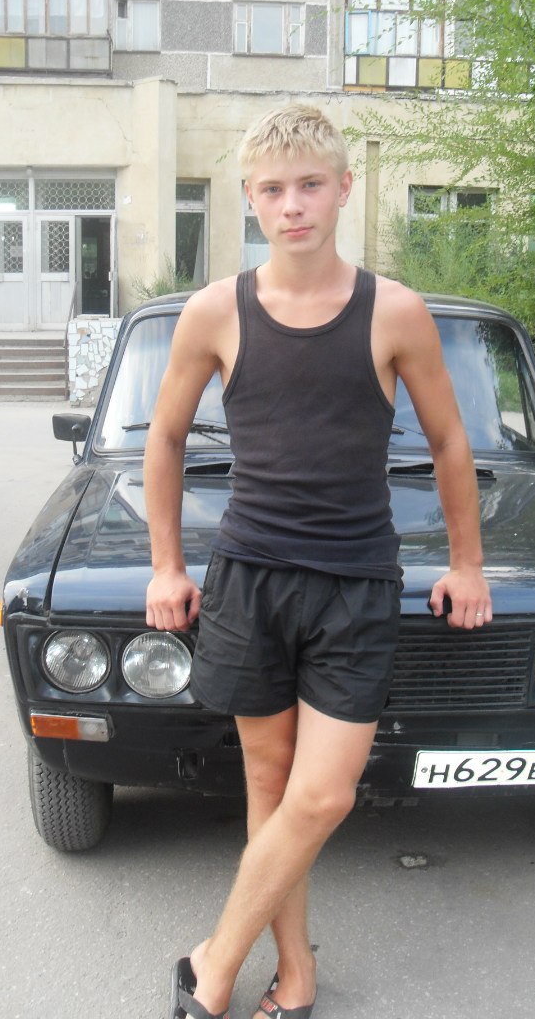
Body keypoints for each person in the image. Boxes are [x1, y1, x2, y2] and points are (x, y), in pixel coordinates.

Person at [144, 104, 492, 1019]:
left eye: (309, 185)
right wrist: (166, 565)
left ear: (343, 189)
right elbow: (166, 437)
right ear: (250, 198)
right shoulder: (215, 311)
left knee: (324, 793)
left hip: (355, 582)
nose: (292, 205)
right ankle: (294, 974)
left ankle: (213, 962)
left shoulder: (395, 310)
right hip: (250, 576)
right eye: (273, 189)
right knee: (270, 786)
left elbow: (450, 442)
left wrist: (468, 564)